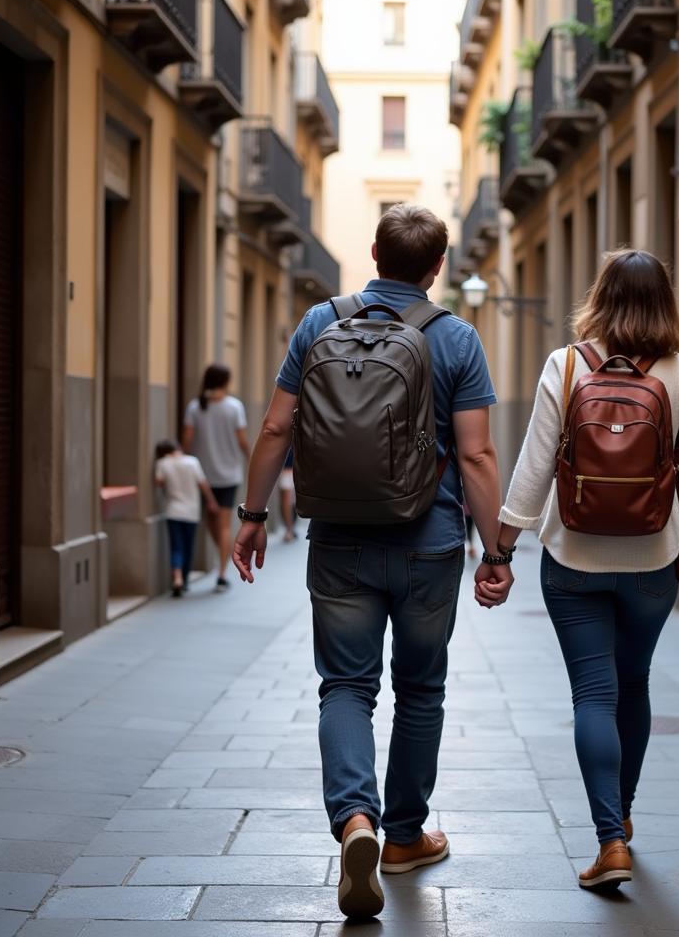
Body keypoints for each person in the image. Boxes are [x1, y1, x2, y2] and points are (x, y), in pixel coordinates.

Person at [232, 204, 513, 919]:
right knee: (420, 691)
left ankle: (354, 819)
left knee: (346, 687)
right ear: (437, 265)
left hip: (341, 543)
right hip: (430, 544)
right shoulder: (455, 339)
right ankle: (403, 835)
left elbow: (275, 425)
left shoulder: (318, 323)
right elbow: (477, 454)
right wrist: (497, 550)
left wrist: (253, 517)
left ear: (374, 254)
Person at [489, 249, 679, 891]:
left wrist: (498, 553)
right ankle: (625, 814)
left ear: (600, 296)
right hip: (653, 559)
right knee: (634, 684)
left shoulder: (564, 367)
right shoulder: (678, 372)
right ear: (664, 304)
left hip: (572, 559)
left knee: (593, 695)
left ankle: (609, 839)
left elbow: (533, 472)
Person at [183, 364, 250, 591]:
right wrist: (250, 458)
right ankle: (223, 570)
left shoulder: (195, 407)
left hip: (203, 476)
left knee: (212, 522)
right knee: (222, 525)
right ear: (225, 381)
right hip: (228, 474)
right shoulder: (234, 407)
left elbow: (187, 441)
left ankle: (221, 569)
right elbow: (241, 440)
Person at [154, 439, 218, 598]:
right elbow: (203, 483)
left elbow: (159, 482)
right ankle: (185, 579)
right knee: (188, 546)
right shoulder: (192, 462)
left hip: (173, 510)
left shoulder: (162, 463)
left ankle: (177, 578)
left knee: (176, 546)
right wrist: (211, 501)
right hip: (191, 511)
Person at [279, 448, 297, 542]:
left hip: (295, 465)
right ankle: (289, 529)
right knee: (287, 500)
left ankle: (290, 528)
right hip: (286, 466)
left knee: (290, 500)